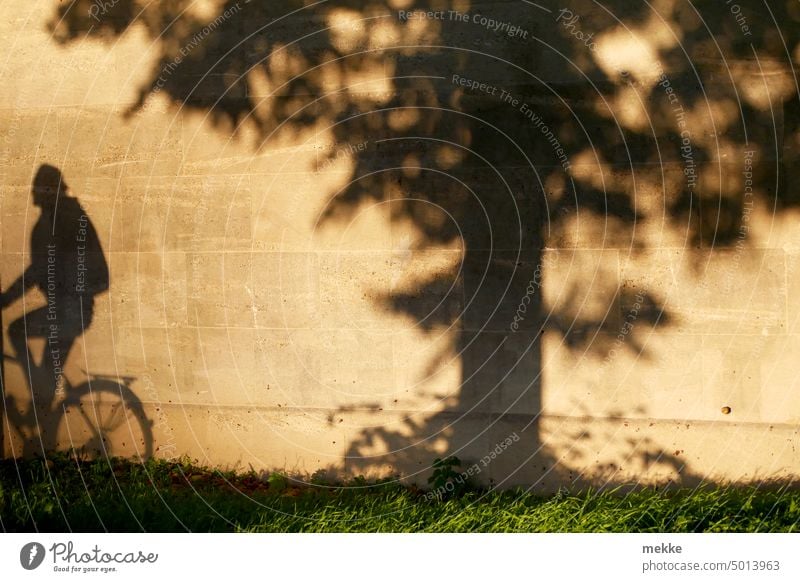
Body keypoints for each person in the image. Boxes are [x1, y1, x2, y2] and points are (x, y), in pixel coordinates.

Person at [0, 164, 109, 393]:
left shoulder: (61, 220)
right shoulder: (65, 216)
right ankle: (40, 406)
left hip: (68, 311)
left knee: (16, 331)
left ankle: (39, 392)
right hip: (69, 310)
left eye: (38, 188)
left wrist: (6, 299)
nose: (34, 193)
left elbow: (39, 269)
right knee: (45, 394)